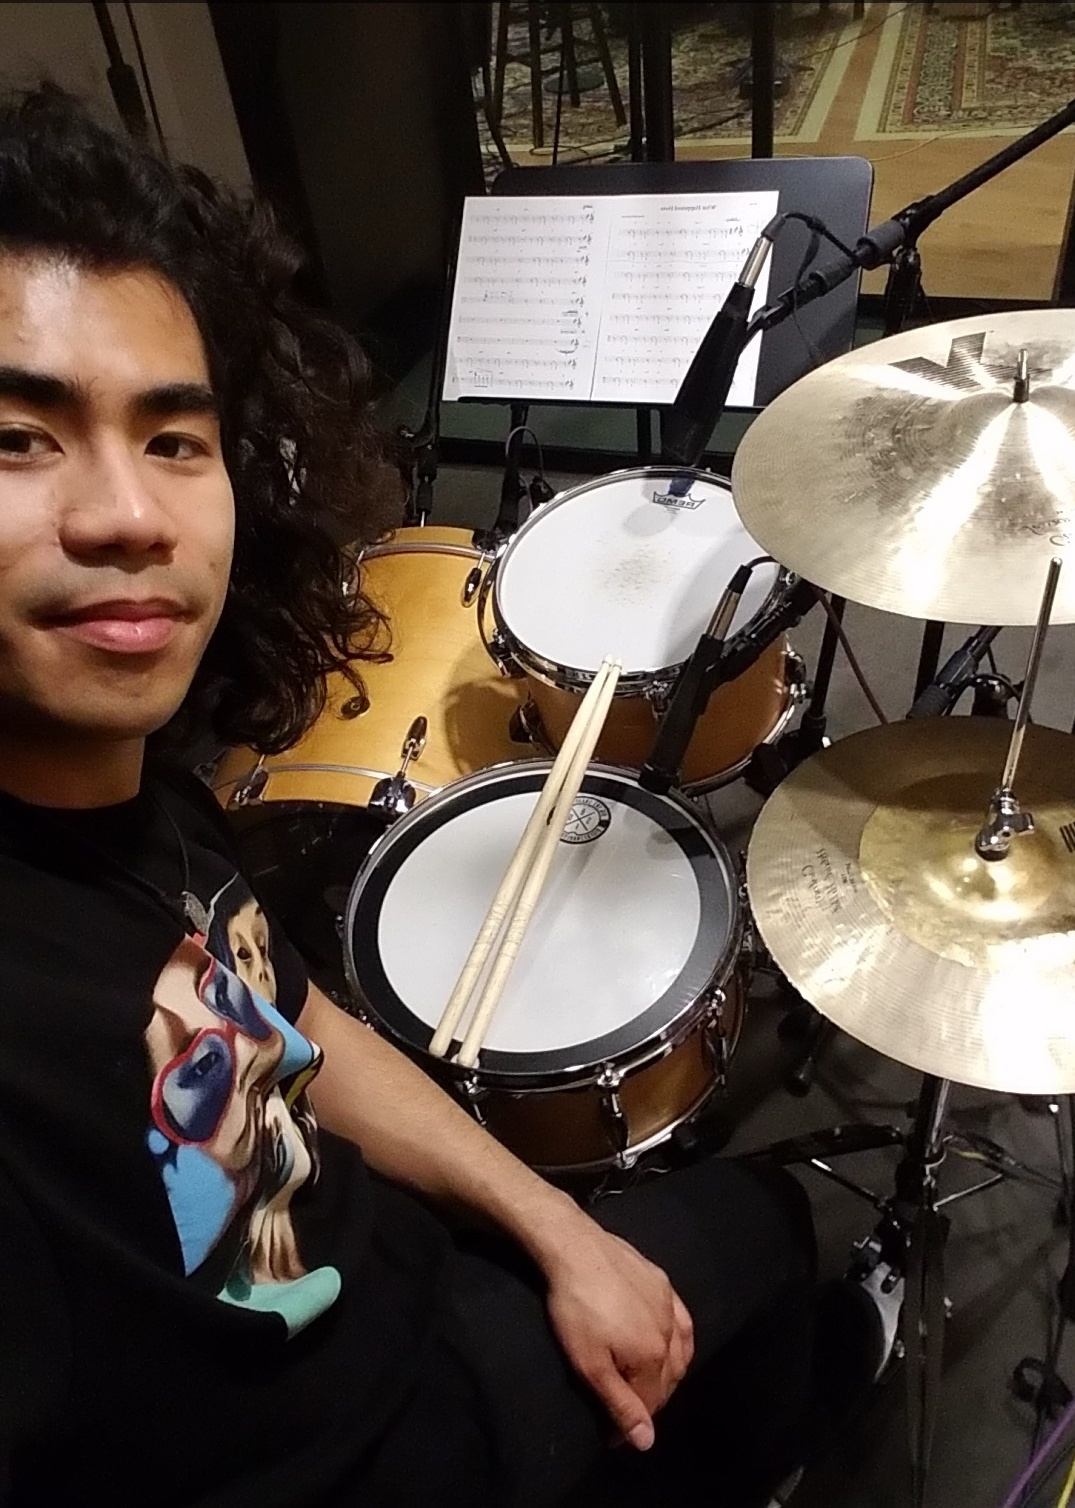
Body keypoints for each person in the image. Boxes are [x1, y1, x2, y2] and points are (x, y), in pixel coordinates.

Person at [0, 85, 878, 1508]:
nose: (128, 515)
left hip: (399, 1294)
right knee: (772, 1221)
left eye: (172, 438)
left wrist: (551, 1227)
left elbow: (283, 1012)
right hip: (399, 1453)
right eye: (18, 437)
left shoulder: (131, 793)